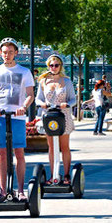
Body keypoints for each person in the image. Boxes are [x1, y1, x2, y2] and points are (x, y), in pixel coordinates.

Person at [0, 37, 35, 201]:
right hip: (0, 117)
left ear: (16, 53)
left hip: (18, 117)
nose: (7, 55)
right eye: (4, 52)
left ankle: (20, 191)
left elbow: (30, 95)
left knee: (19, 153)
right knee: (2, 154)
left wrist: (24, 107)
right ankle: (3, 191)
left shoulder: (24, 72)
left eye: (10, 52)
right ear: (0, 53)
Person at [35, 54, 76, 184]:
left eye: (56, 65)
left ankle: (66, 175)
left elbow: (73, 99)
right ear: (48, 66)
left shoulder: (67, 82)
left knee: (64, 146)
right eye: (51, 65)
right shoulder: (43, 81)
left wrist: (67, 104)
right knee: (52, 147)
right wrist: (41, 104)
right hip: (49, 116)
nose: (53, 67)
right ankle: (53, 175)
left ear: (60, 66)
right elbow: (38, 98)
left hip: (63, 116)